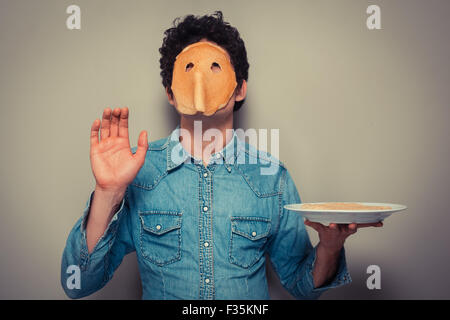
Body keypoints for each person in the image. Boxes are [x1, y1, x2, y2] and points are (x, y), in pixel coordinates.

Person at [61, 11, 382, 300]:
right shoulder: (138, 173)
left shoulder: (272, 176)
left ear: (240, 88)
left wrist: (329, 247)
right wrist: (107, 192)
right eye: (189, 70)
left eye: (215, 67)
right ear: (171, 93)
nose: (201, 80)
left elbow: (302, 285)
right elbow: (78, 284)